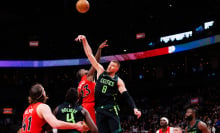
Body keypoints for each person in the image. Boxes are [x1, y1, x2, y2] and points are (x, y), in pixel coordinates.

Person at [75, 35, 142, 133]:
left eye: (113, 66)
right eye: (110, 64)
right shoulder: (101, 71)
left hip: (111, 109)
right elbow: (90, 55)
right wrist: (85, 40)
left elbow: (126, 95)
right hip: (98, 110)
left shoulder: (118, 80)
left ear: (117, 69)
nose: (110, 66)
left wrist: (134, 108)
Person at [20, 83, 87, 133]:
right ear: (43, 94)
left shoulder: (27, 109)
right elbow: (55, 124)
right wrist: (76, 125)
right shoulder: (42, 107)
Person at [76, 40, 108, 125]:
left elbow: (77, 99)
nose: (85, 70)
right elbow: (95, 61)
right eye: (83, 70)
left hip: (83, 107)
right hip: (92, 106)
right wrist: (99, 49)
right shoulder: (88, 77)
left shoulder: (79, 86)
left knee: (87, 129)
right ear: (81, 74)